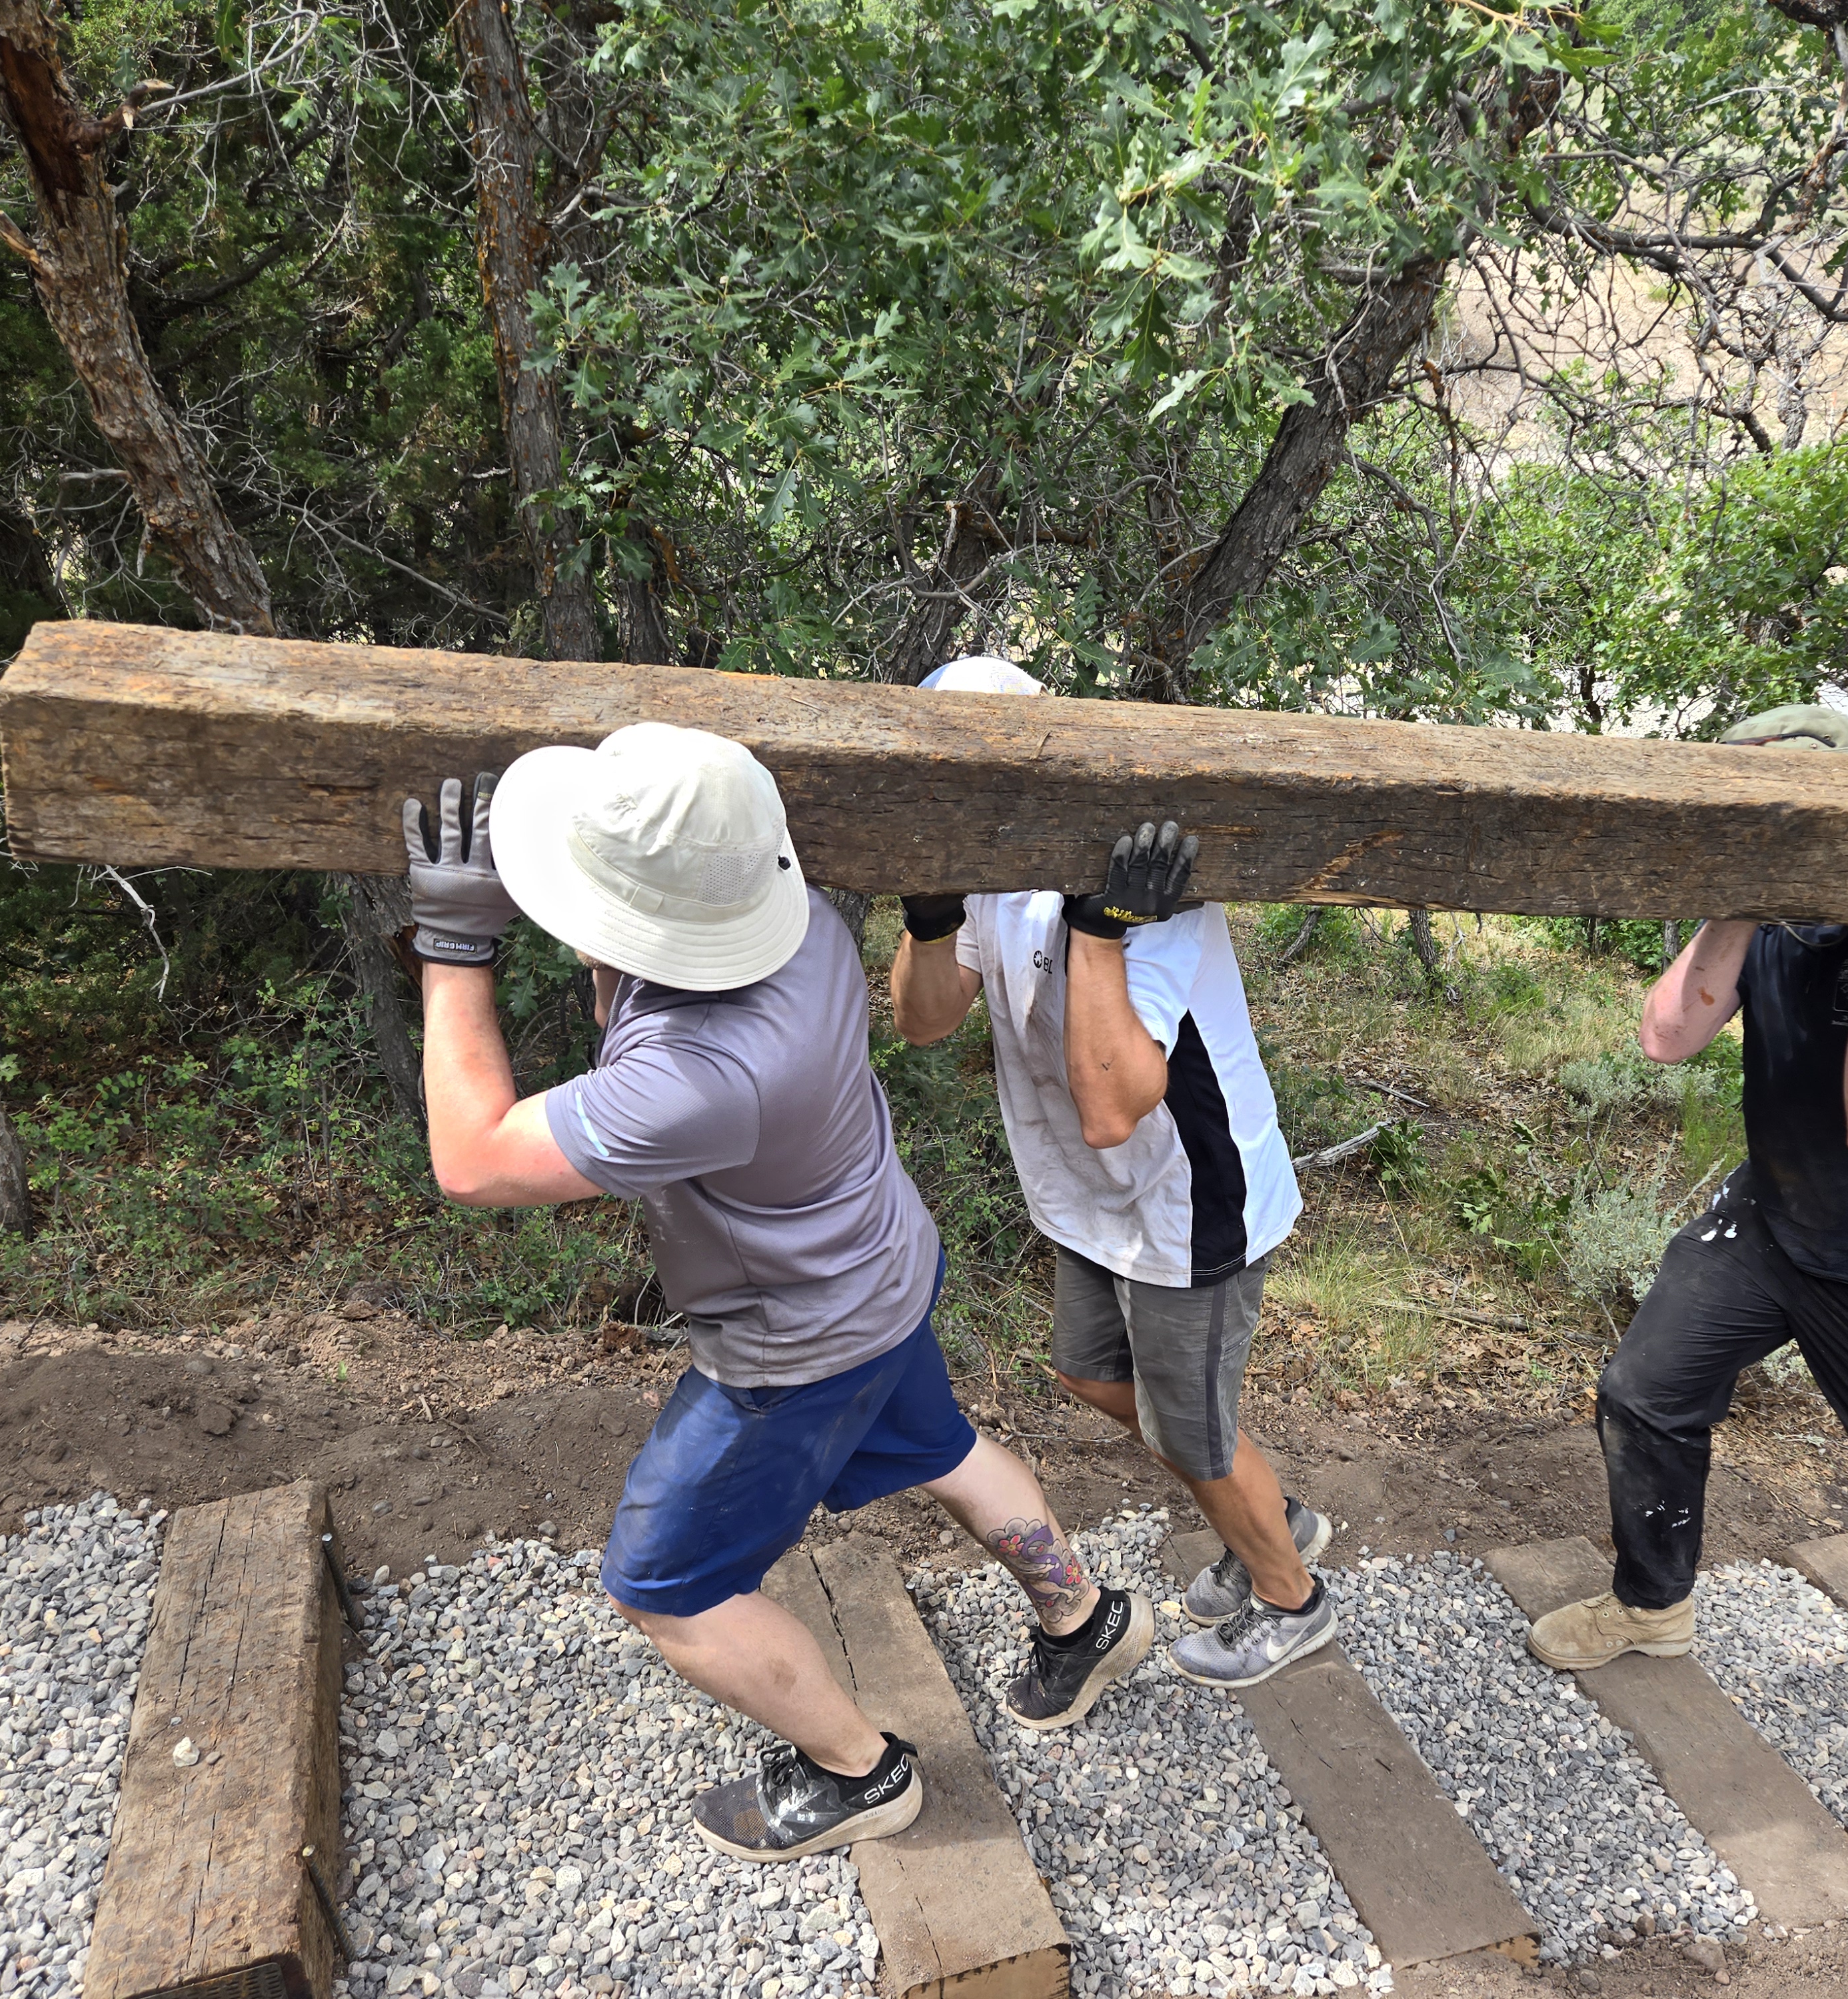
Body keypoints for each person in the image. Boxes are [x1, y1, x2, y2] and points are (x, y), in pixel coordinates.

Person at [405, 722, 1151, 1864]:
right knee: (940, 1445)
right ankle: (1087, 1616)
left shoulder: (699, 1077)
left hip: (793, 1347)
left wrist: (456, 949)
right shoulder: (796, 910)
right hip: (882, 1264)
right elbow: (654, 955)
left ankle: (863, 1773)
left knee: (667, 1589)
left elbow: (471, 1159)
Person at [1525, 703, 1848, 1753]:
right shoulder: (1771, 920)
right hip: (1773, 1221)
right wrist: (1739, 901)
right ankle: (1652, 1605)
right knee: (1644, 1395)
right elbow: (1669, 1036)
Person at [888, 656, 1336, 1690]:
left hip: (1189, 1187)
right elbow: (922, 1022)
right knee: (1092, 1373)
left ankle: (1291, 1598)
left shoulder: (1149, 874)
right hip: (1090, 1194)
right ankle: (1278, 1517)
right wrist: (928, 920)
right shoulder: (990, 869)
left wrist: (1100, 929)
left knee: (1188, 1424)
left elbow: (1111, 1103)